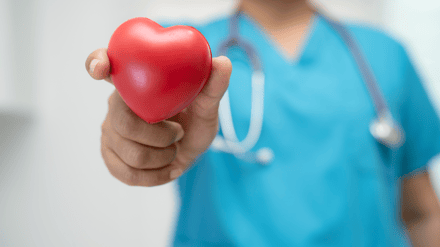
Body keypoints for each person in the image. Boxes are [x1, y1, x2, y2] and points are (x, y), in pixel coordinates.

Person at [85, 0, 440, 246]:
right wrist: (129, 141)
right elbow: (128, 121)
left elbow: (422, 213)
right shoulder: (181, 54)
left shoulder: (386, 54)